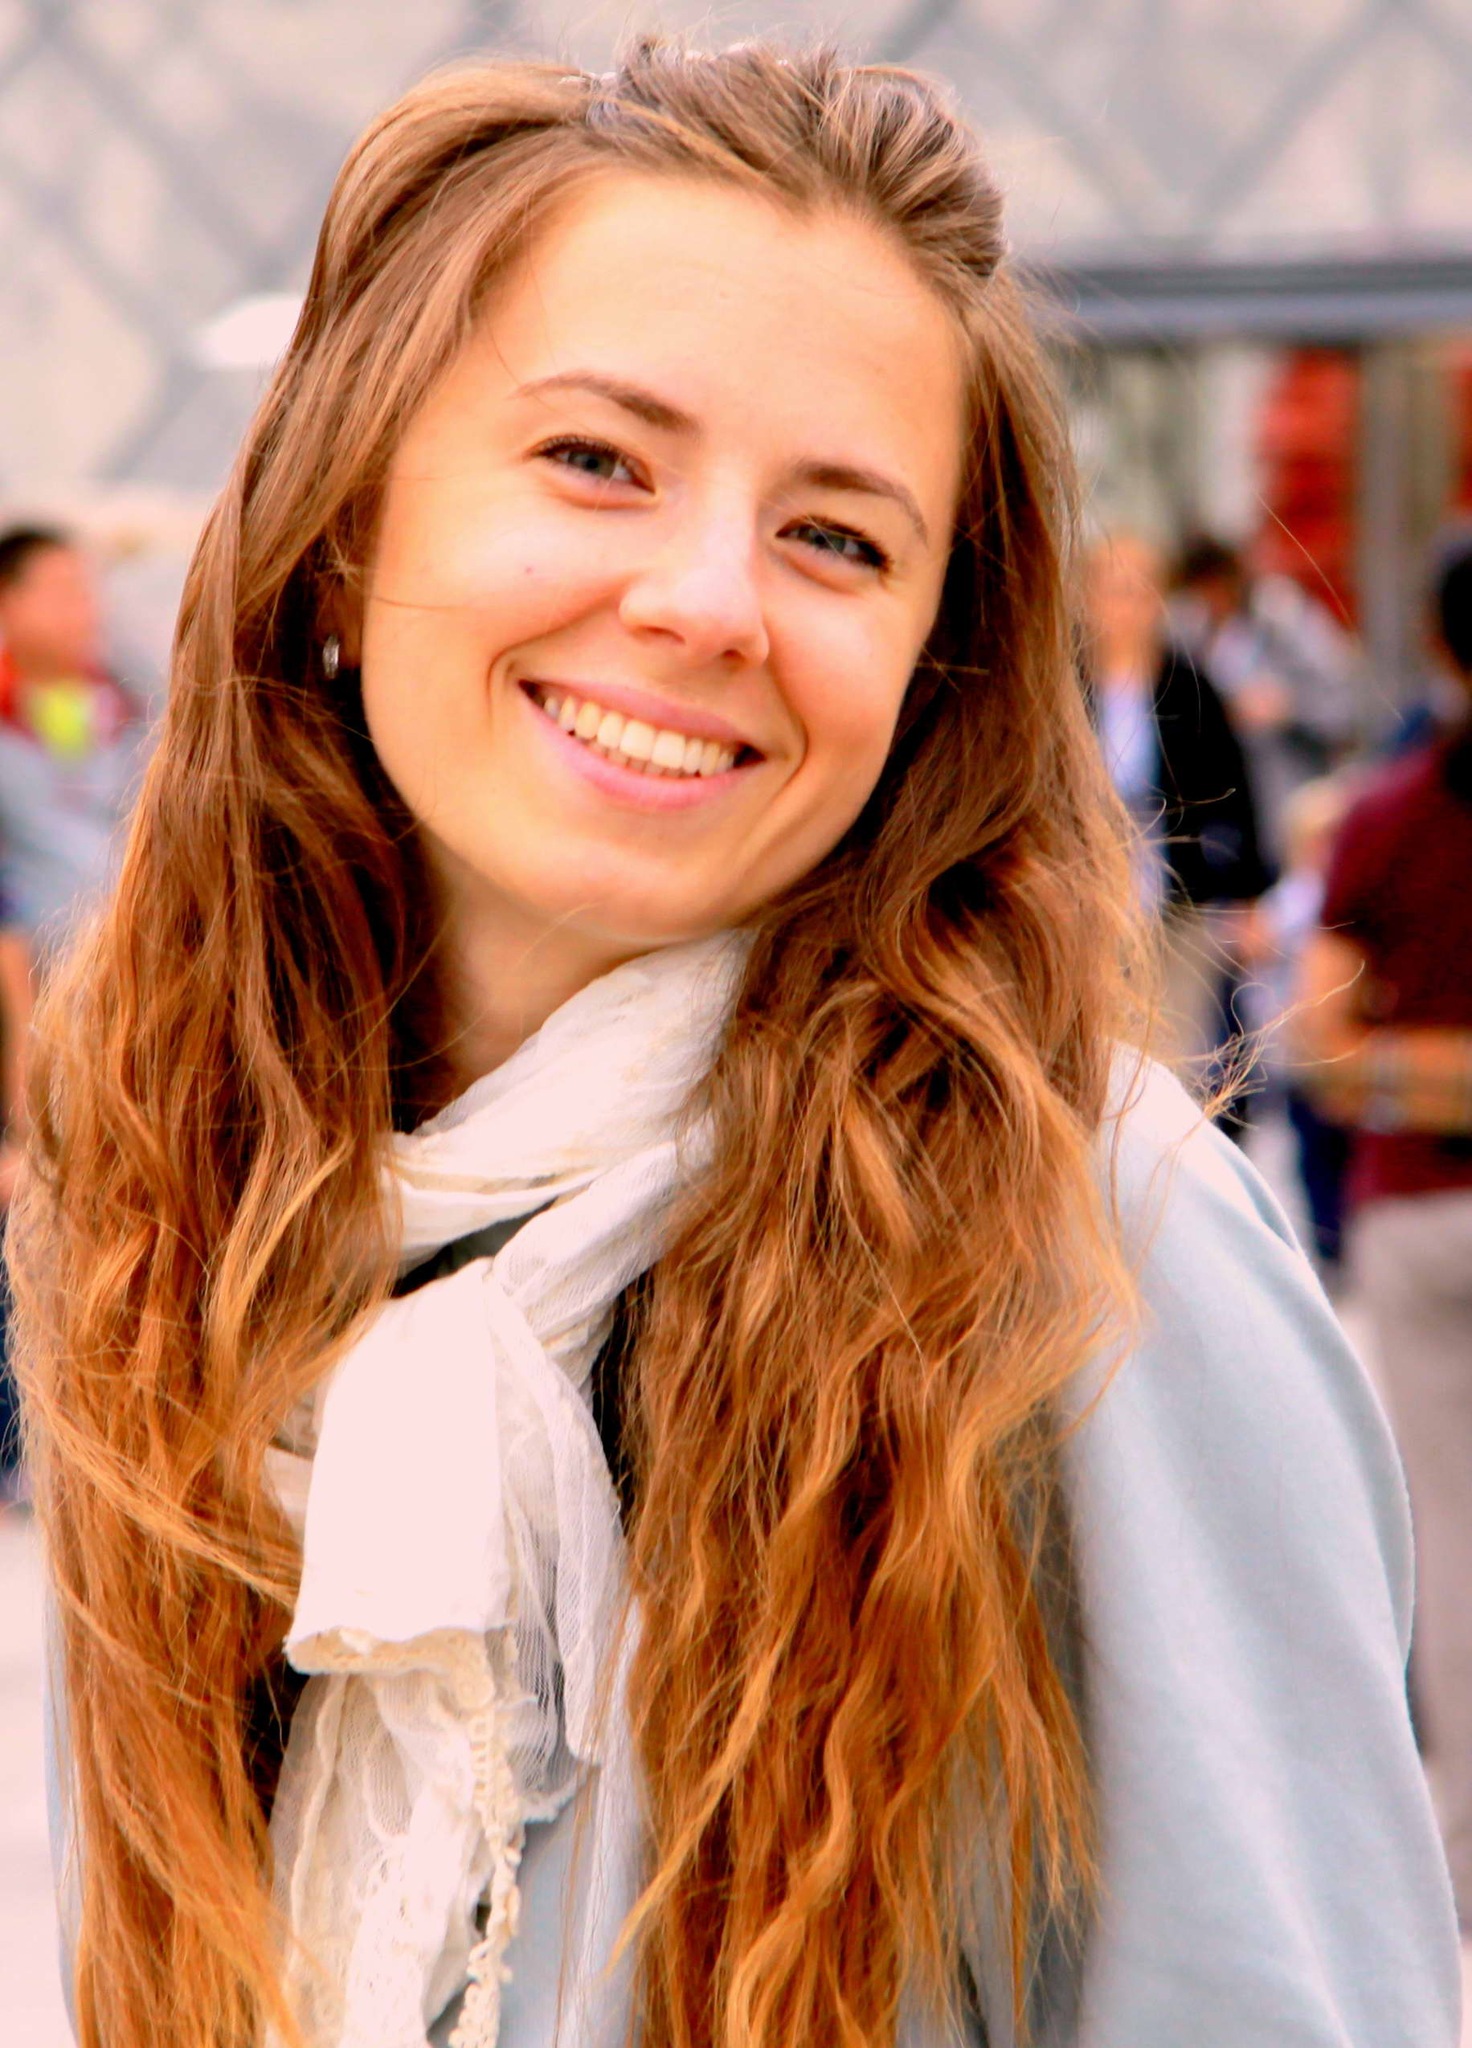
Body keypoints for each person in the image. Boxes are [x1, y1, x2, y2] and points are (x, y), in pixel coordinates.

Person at [12, 44, 1456, 2048]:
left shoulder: (1083, 1254)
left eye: (838, 538)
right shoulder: (184, 1209)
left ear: (931, 670)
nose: (707, 602)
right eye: (598, 460)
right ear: (342, 518)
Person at [1293, 527, 1472, 1949]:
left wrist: (1421, 1074)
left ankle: (1460, 1853)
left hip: (1419, 1212)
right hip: (1416, 1213)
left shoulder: (1389, 815)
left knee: (1451, 1540)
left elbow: (1320, 1042)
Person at [1084, 531, 1270, 1081]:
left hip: (1178, 888)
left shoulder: (1188, 686)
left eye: (1140, 591)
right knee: (1100, 1039)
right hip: (1087, 890)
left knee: (1178, 1042)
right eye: (1115, 590)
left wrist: (1248, 893)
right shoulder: (1064, 684)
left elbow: (1236, 788)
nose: (1126, 607)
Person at [1170, 533, 1359, 869]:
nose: (1212, 599)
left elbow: (1344, 708)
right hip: (1222, 813)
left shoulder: (1285, 620)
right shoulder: (1189, 635)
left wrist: (1287, 708)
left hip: (1284, 801)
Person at [0, 524, 145, 957]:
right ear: (8, 601)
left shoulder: (126, 703)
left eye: (86, 591)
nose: (83, 609)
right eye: (62, 592)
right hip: (43, 969)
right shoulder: (9, 718)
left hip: (135, 953)